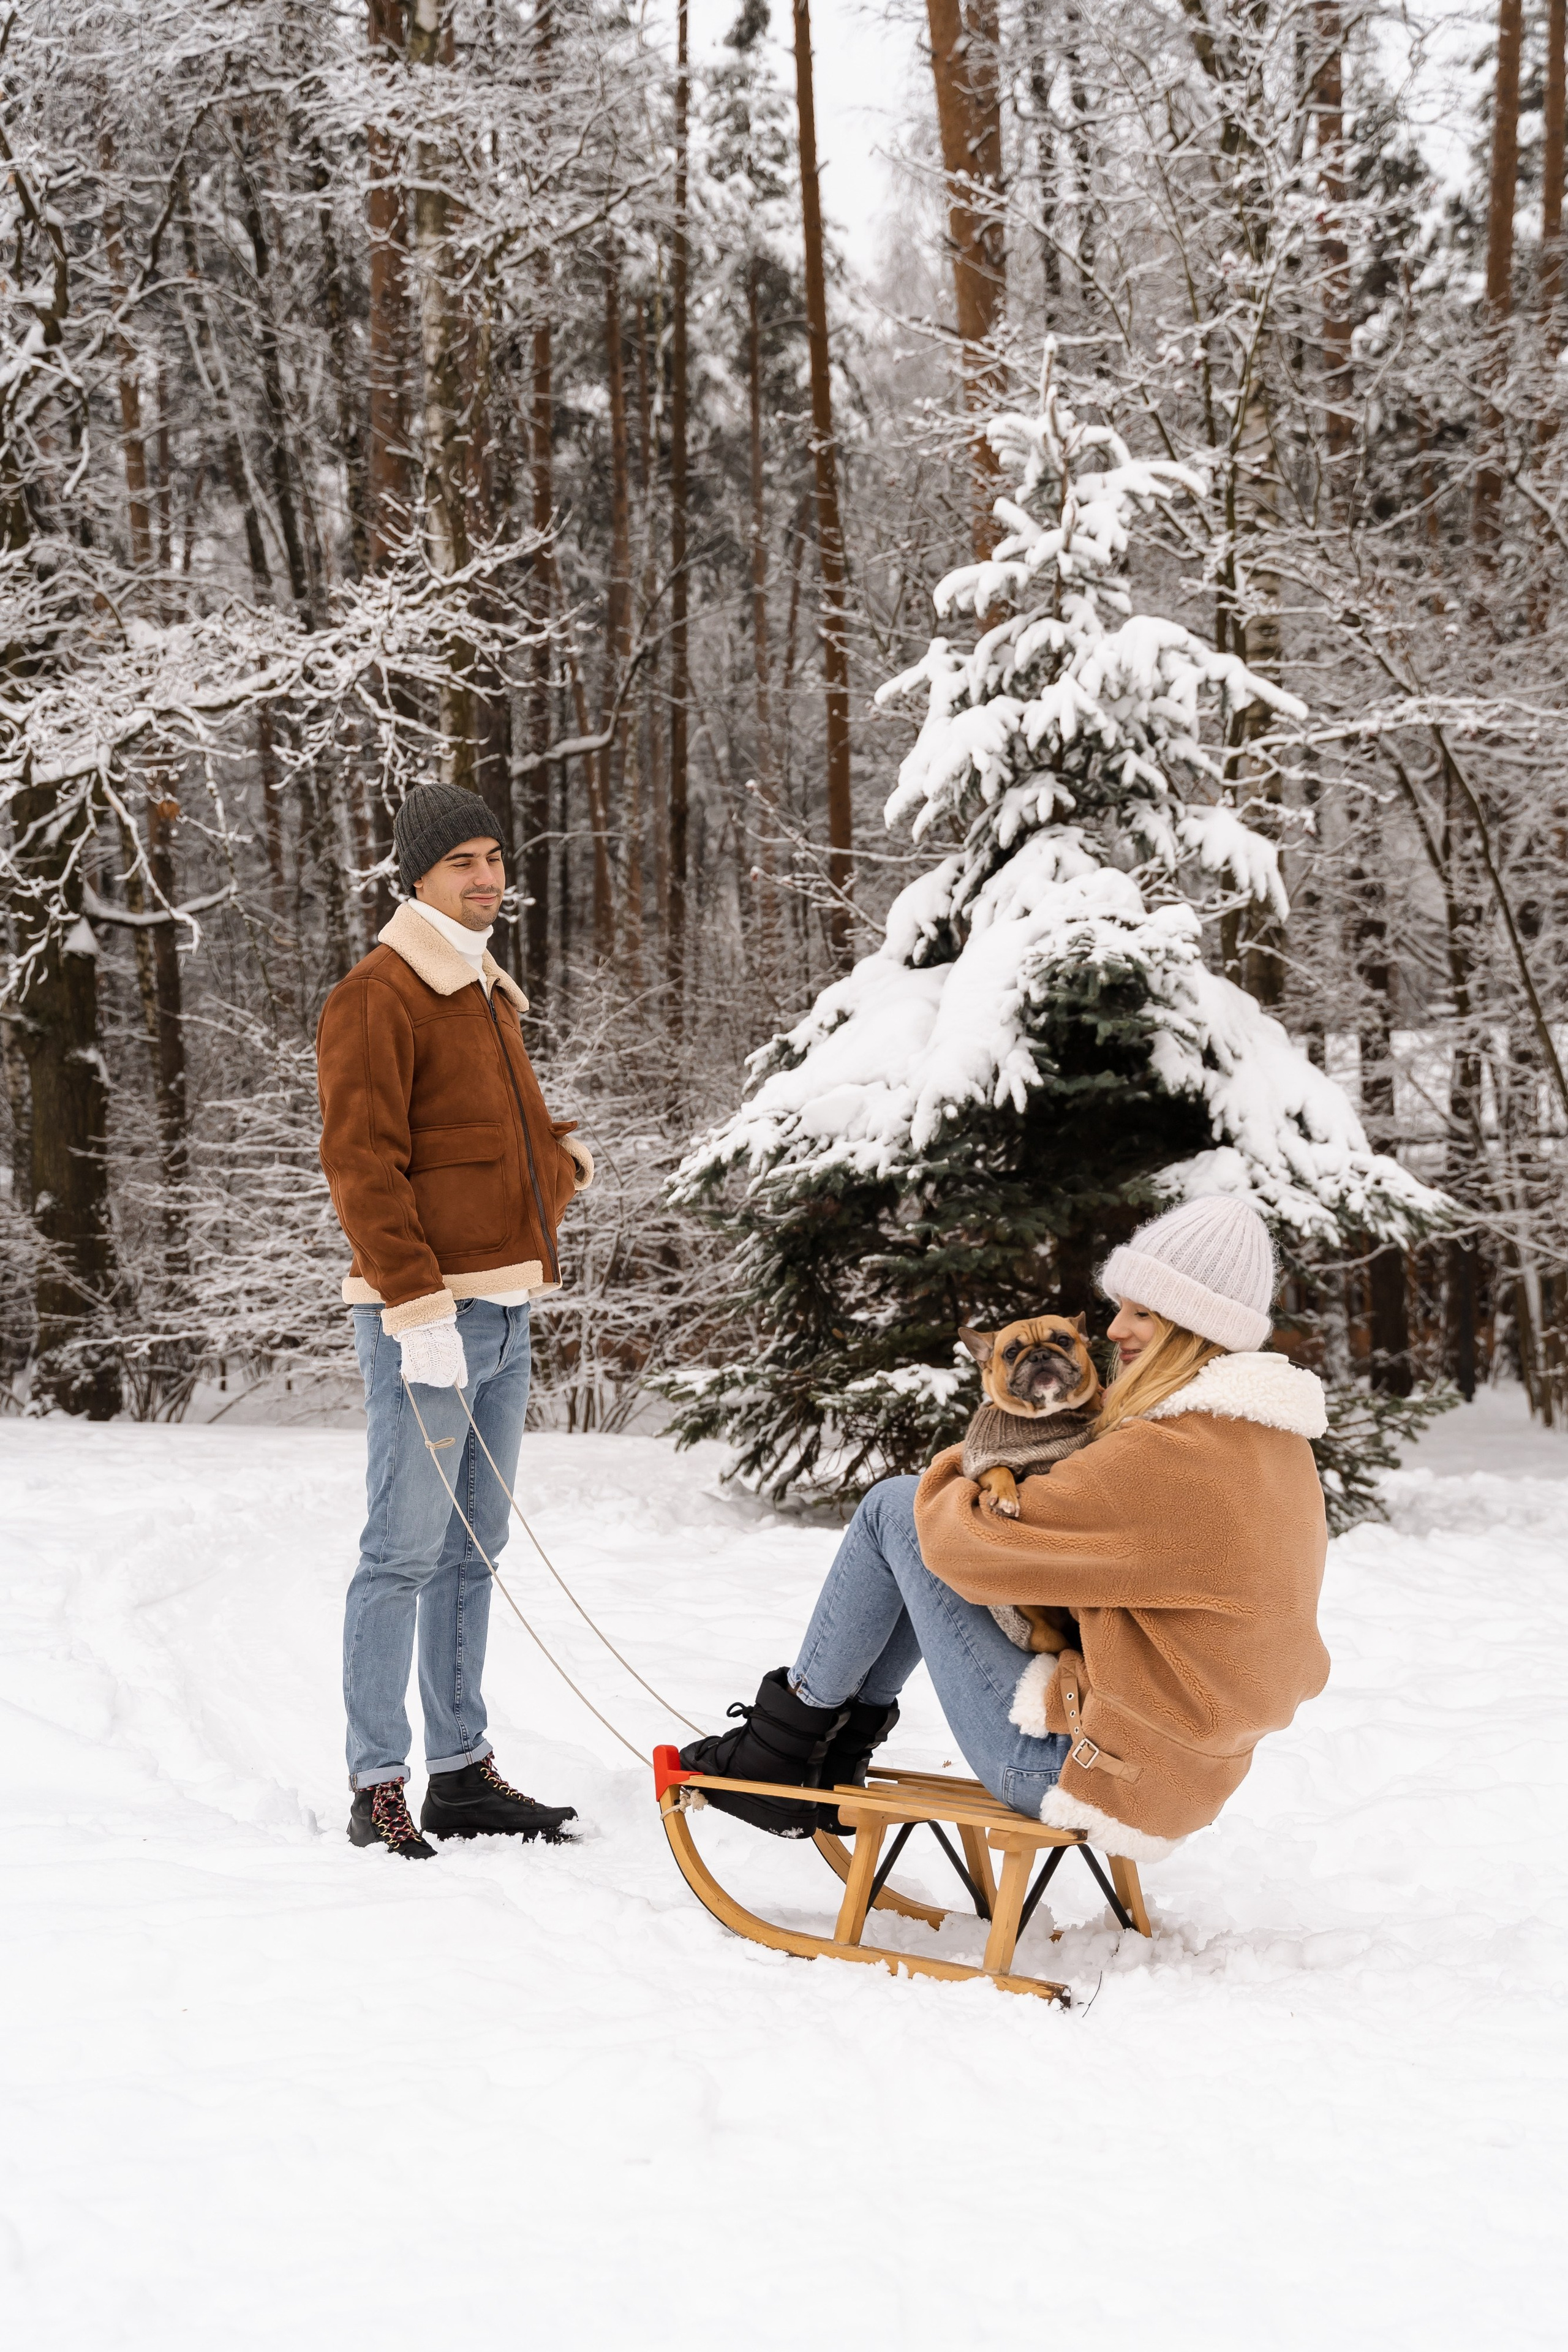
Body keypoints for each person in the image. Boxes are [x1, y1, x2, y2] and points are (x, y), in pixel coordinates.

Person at [680, 1196, 1331, 1861]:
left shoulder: (1163, 1455)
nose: (1112, 1331)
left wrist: (978, 1456)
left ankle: (778, 1752)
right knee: (921, 1525)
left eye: (1140, 1312)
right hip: (1179, 1777)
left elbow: (969, 1550)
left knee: (898, 1508)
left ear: (1190, 1326)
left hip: (1078, 1766)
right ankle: (827, 1751)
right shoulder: (1271, 1445)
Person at [317, 782, 593, 1858]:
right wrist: (413, 1302)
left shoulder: (484, 987)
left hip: (506, 1308)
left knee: (477, 1552)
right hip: (430, 1316)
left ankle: (462, 1770)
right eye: (463, 863)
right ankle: (375, 1779)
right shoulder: (380, 994)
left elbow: (496, 1142)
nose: (487, 879)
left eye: (496, 859)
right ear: (416, 878)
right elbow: (361, 1163)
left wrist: (562, 1170)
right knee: (404, 1551)